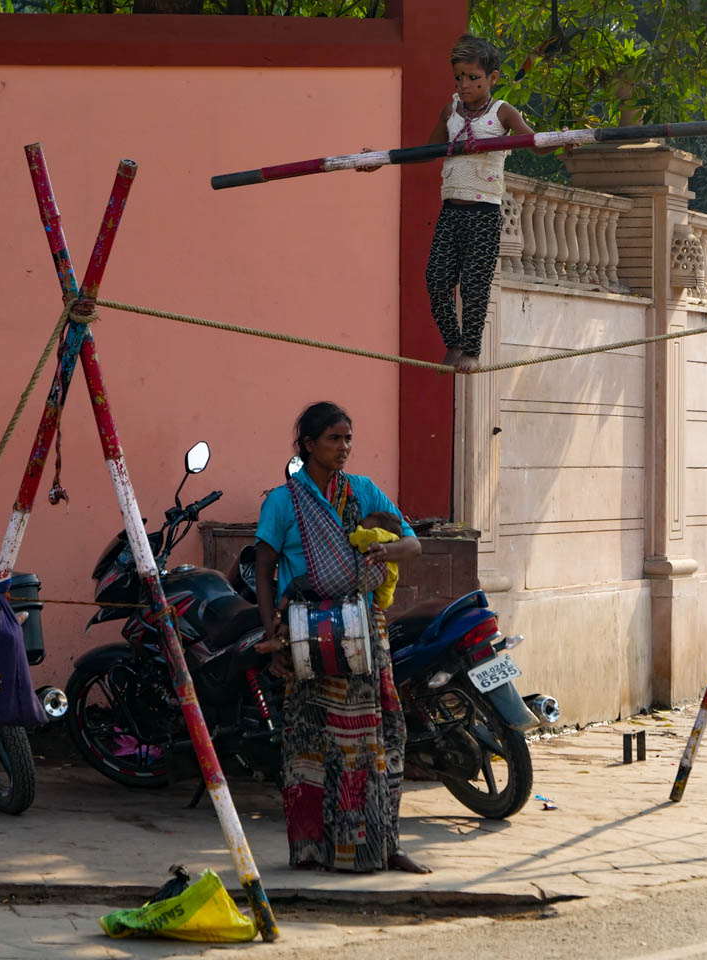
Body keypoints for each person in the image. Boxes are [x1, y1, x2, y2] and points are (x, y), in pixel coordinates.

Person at [254, 401, 429, 874]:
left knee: (382, 738)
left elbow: (412, 544)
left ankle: (383, 846)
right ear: (309, 445)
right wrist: (272, 634)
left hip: (364, 633)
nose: (344, 447)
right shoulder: (283, 502)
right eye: (334, 438)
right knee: (311, 745)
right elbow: (264, 570)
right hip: (307, 635)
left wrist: (386, 550)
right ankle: (314, 851)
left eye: (348, 438)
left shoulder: (364, 491)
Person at [424, 34, 553, 372]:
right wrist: (379, 159)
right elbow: (425, 152)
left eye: (473, 78)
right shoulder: (451, 110)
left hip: (484, 213)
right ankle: (453, 342)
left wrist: (562, 140)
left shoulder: (502, 113)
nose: (464, 85)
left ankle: (471, 350)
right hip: (451, 211)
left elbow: (534, 143)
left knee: (474, 285)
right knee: (436, 280)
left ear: (492, 78)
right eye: (459, 78)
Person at [348, 511, 403, 610]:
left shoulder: (378, 535)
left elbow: (359, 538)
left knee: (381, 601)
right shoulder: (392, 538)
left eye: (367, 528)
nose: (363, 527)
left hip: (387, 584)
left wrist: (355, 532)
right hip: (391, 579)